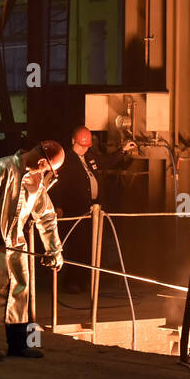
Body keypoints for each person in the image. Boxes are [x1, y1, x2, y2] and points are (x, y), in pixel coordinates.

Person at [0, 141, 66, 361]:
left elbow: (46, 215)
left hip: (17, 248)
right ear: (42, 162)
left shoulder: (36, 182)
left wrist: (54, 250)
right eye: (47, 169)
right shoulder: (1, 169)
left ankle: (18, 345)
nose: (46, 173)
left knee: (19, 295)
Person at [52, 126, 137, 293]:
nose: (83, 149)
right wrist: (58, 205)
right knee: (76, 246)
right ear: (73, 142)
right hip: (76, 210)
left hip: (93, 211)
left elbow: (105, 161)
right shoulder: (66, 160)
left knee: (90, 246)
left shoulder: (90, 157)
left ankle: (85, 280)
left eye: (86, 146)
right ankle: (71, 281)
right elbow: (58, 185)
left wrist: (122, 151)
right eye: (81, 146)